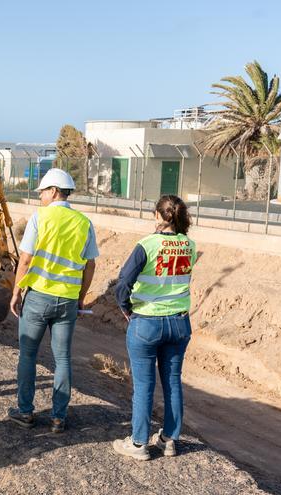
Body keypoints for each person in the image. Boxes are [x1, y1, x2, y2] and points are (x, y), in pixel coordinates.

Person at [8, 168, 99, 434]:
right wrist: (81, 297)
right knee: (63, 358)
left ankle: (25, 411)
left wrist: (16, 292)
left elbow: (25, 259)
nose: (40, 197)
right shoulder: (84, 222)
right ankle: (59, 417)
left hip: (38, 296)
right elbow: (89, 265)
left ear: (54, 191)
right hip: (68, 300)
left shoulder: (40, 218)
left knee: (28, 354)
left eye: (43, 192)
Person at [112, 195, 197, 460]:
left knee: (144, 385)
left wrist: (125, 307)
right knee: (172, 382)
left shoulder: (146, 244)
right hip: (179, 323)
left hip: (147, 322)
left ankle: (139, 444)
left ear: (158, 215)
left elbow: (123, 281)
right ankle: (169, 439)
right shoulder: (189, 245)